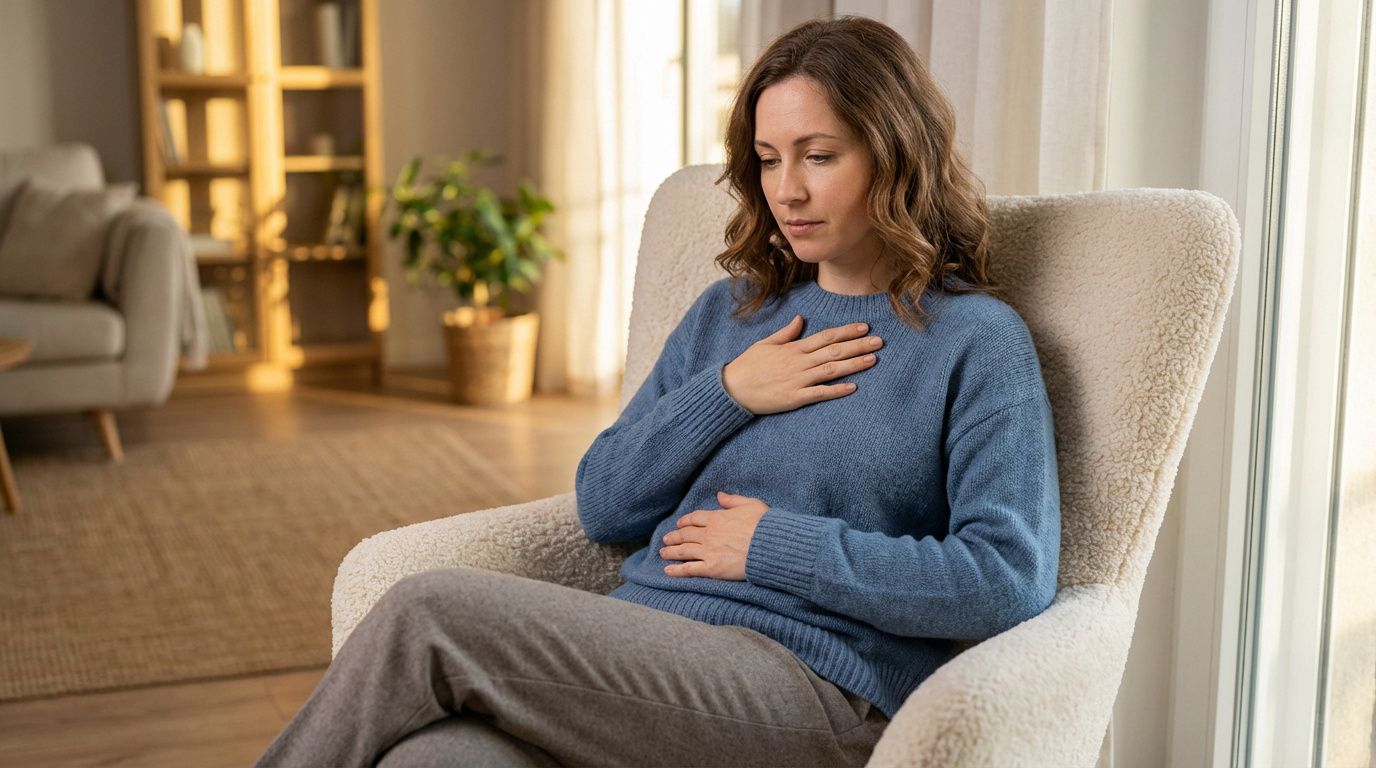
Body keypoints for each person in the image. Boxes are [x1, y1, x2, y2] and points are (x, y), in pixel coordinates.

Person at [257, 15, 1059, 768]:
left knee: (426, 614)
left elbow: (1006, 579)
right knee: (432, 760)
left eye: (819, 156)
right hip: (642, 654)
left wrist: (775, 546)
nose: (787, 191)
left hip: (817, 687)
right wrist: (729, 392)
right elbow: (604, 504)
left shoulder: (975, 340)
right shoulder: (731, 314)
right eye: (768, 160)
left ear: (896, 153)